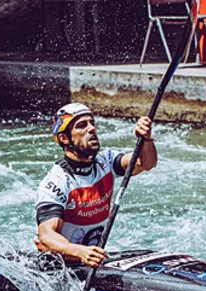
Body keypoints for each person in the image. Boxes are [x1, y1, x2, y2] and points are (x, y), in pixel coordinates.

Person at [35, 103, 157, 268]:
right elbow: (47, 234)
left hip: (93, 259)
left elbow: (145, 163)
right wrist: (79, 251)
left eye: (92, 123)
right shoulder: (56, 182)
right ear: (64, 138)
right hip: (61, 265)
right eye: (82, 126)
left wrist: (145, 139)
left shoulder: (105, 161)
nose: (91, 129)